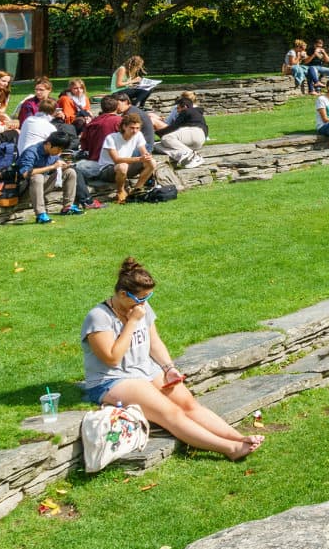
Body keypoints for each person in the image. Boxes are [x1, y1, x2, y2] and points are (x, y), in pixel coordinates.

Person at [81, 260, 259, 460]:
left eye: (149, 296)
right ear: (123, 294)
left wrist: (168, 368)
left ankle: (240, 438)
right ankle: (230, 449)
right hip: (113, 379)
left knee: (189, 404)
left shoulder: (141, 306)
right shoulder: (98, 318)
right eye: (140, 298)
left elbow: (154, 342)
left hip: (145, 370)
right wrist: (132, 322)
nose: (144, 302)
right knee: (171, 413)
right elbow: (112, 359)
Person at [16, 126, 83, 225]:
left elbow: (54, 167)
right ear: (49, 144)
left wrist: (63, 166)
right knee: (37, 177)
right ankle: (41, 214)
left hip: (43, 186)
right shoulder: (31, 152)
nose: (59, 153)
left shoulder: (53, 154)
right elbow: (25, 173)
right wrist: (52, 167)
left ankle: (68, 207)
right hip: (25, 189)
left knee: (70, 172)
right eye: (58, 149)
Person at [99, 116, 156, 202]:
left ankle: (137, 189)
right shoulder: (111, 138)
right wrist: (139, 159)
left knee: (152, 162)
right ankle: (120, 191)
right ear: (124, 127)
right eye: (132, 128)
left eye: (137, 128)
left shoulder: (138, 135)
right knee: (122, 166)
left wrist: (147, 156)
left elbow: (144, 152)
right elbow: (116, 160)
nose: (135, 131)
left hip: (125, 167)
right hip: (107, 170)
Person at [155, 91, 208, 167]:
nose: (177, 110)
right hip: (198, 141)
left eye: (178, 108)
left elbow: (174, 127)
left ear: (185, 107)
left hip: (195, 132)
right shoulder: (196, 113)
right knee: (156, 146)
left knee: (166, 138)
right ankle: (184, 155)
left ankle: (193, 156)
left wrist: (157, 132)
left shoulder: (186, 111)